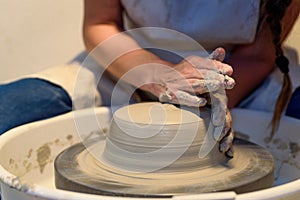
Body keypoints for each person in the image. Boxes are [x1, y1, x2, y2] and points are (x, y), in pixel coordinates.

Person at [0, 0, 299, 157]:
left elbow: (259, 54)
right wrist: (158, 75)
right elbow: (100, 23)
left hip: (237, 74)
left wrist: (206, 98)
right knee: (8, 110)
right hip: (127, 62)